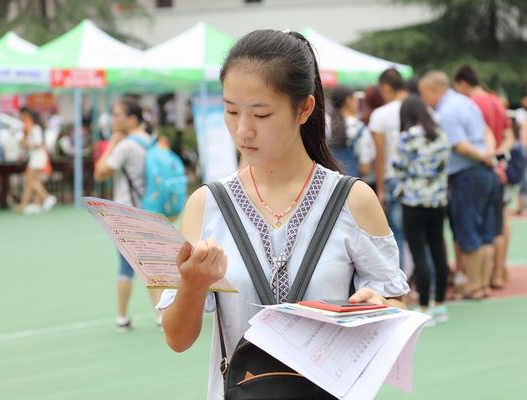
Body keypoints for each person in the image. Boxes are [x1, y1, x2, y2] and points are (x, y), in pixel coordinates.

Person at [157, 30, 410, 400]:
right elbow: (177, 339)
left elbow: (396, 307)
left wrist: (380, 308)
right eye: (230, 111)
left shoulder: (352, 199)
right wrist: (193, 285)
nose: (243, 129)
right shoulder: (206, 204)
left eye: (261, 113)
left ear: (304, 109)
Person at [419, 71, 499, 300]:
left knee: (469, 230)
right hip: (485, 173)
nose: (424, 99)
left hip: (466, 174)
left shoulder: (447, 112)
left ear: (434, 90)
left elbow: (461, 146)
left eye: (425, 93)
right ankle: (482, 284)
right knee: (486, 231)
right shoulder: (466, 102)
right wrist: (488, 154)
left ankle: (473, 285)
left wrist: (481, 156)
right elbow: (487, 132)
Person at [93, 98, 163, 332]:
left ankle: (122, 316)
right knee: (152, 265)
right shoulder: (152, 141)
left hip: (126, 212)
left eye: (118, 115)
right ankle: (161, 314)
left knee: (126, 267)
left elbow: (100, 172)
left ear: (132, 118)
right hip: (151, 209)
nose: (114, 120)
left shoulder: (126, 146)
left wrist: (112, 142)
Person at [454, 65, 514, 289]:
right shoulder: (496, 101)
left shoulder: (468, 105)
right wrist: (498, 154)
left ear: (462, 84)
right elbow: (509, 136)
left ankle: (473, 278)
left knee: (470, 227)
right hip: (498, 172)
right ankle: (497, 272)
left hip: (475, 168)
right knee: (497, 225)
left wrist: (486, 154)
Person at [393, 95, 450, 324]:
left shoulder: (407, 137)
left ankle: (424, 306)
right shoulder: (441, 135)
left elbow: (398, 168)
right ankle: (440, 304)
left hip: (413, 201)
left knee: (419, 253)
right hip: (438, 200)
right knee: (439, 251)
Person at [368, 68, 409, 266]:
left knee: (397, 235)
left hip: (393, 179)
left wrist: (381, 189)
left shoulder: (381, 114)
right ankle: (430, 283)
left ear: (385, 87)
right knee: (424, 237)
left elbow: (380, 154)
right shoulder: (422, 108)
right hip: (421, 181)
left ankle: (400, 286)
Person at [327, 85, 375, 177]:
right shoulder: (359, 127)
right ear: (348, 100)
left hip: (327, 181)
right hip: (350, 184)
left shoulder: (325, 124)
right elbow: (365, 168)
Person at [15, 107, 56, 215]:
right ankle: (36, 205)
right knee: (34, 181)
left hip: (38, 156)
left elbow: (38, 144)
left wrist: (26, 144)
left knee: (30, 181)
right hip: (36, 156)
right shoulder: (32, 128)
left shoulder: (35, 128)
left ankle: (47, 197)